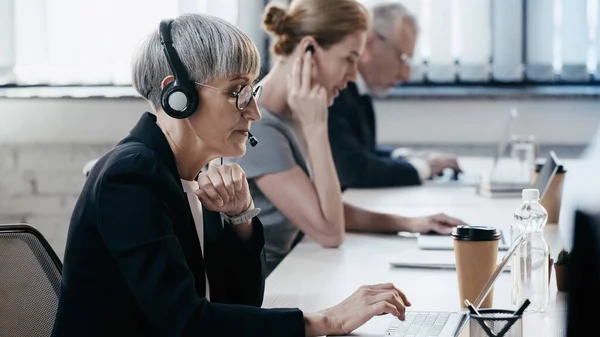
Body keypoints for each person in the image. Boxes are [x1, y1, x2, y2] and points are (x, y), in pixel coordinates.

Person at [50, 13, 412, 337]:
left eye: (251, 91)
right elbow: (187, 323)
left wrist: (240, 220)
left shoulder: (194, 173)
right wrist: (326, 321)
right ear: (177, 95)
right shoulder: (131, 176)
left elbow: (239, 306)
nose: (254, 111)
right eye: (237, 92)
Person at [227, 0, 466, 276]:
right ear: (308, 50)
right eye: (349, 59)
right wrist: (316, 126)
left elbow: (324, 208)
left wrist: (409, 223)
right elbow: (329, 231)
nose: (353, 75)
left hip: (295, 271)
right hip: (267, 289)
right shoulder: (259, 127)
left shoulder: (289, 115)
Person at [328, 1, 462, 189]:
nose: (405, 75)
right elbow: (353, 170)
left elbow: (361, 152)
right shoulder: (333, 92)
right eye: (402, 59)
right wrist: (422, 168)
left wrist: (406, 156)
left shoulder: (359, 91)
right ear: (370, 43)